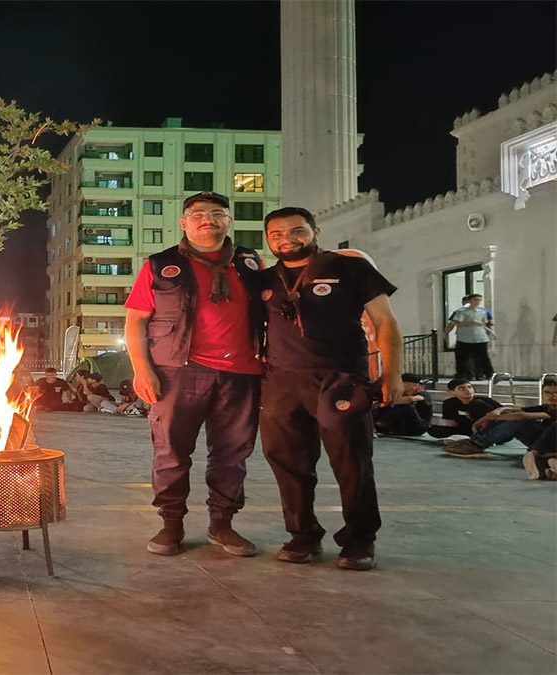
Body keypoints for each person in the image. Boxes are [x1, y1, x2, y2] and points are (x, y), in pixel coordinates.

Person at [258, 206, 403, 571]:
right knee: (288, 463)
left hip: (340, 379)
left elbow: (386, 322)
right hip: (281, 382)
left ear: (315, 232)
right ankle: (302, 535)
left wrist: (393, 375)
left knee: (351, 461)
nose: (286, 239)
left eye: (296, 231)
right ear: (268, 240)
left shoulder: (350, 268)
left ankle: (359, 539)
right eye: (276, 234)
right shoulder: (263, 279)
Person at [124, 192, 267, 558]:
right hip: (177, 372)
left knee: (232, 454)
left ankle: (223, 524)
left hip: (242, 374)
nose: (208, 220)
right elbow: (135, 321)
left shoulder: (251, 263)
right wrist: (143, 370)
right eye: (199, 214)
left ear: (228, 222)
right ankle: (171, 524)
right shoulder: (160, 265)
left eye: (217, 214)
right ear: (183, 222)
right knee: (171, 452)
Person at [447, 378, 557, 459]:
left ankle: (478, 443)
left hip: (552, 445)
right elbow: (516, 410)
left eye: (556, 393)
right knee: (509, 415)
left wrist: (489, 419)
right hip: (543, 441)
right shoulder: (547, 406)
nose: (552, 396)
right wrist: (496, 411)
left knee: (518, 421)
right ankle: (474, 441)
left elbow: (524, 416)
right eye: (547, 393)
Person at [444, 294, 495, 380]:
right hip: (464, 338)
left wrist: (490, 331)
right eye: (475, 300)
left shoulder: (483, 312)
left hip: (480, 338)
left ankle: (489, 374)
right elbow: (455, 323)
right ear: (469, 301)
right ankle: (461, 375)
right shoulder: (461, 312)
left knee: (483, 357)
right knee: (462, 358)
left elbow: (483, 324)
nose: (477, 302)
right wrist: (445, 333)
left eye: (479, 300)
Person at [429, 378, 501, 439]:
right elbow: (451, 422)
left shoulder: (483, 400)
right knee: (433, 429)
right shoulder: (449, 403)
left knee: (475, 403)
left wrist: (498, 410)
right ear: (453, 392)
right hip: (465, 429)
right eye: (462, 388)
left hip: (484, 428)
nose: (468, 390)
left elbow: (507, 409)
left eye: (469, 387)